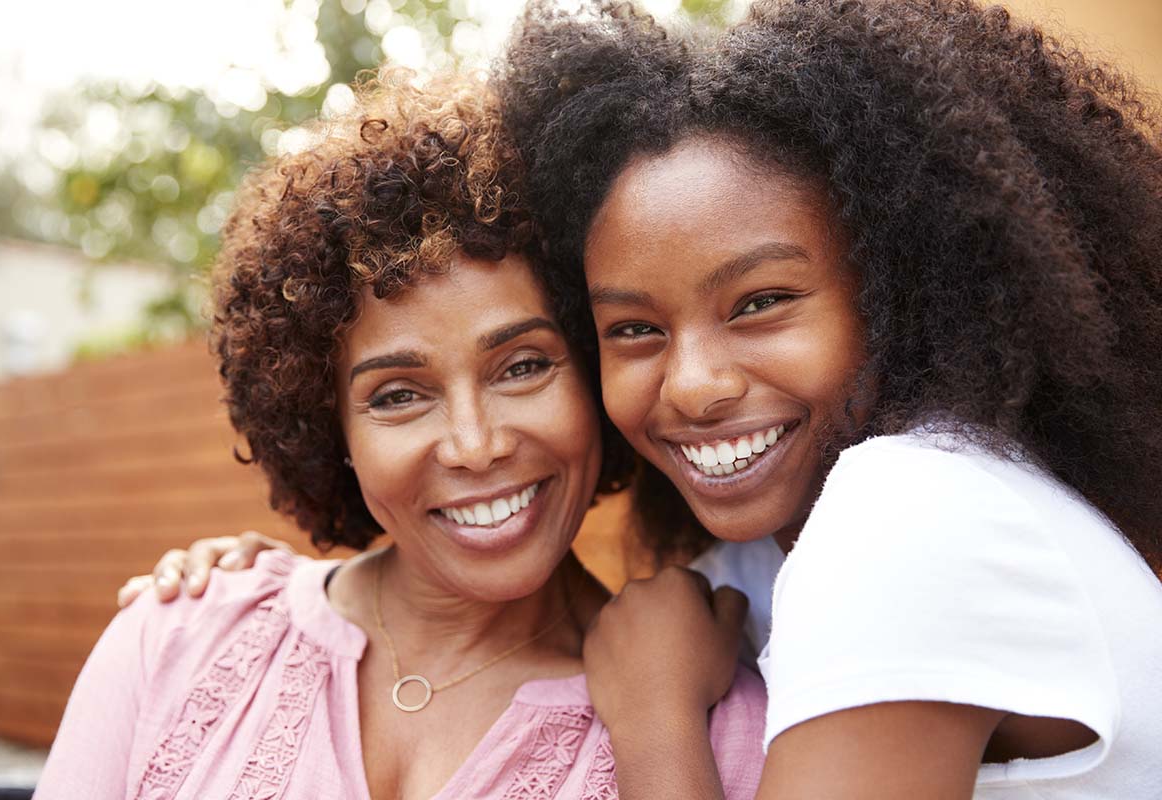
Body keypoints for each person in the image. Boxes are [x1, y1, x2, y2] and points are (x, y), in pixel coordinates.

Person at [121, 0, 1162, 796]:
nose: (694, 383)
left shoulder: (914, 512)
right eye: (634, 329)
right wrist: (251, 594)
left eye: (760, 301)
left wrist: (655, 722)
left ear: (899, 293)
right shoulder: (765, 565)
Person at [36, 72, 767, 799]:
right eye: (397, 395)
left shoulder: (707, 727)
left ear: (594, 372)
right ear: (331, 429)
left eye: (521, 367)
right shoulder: (177, 641)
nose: (475, 445)